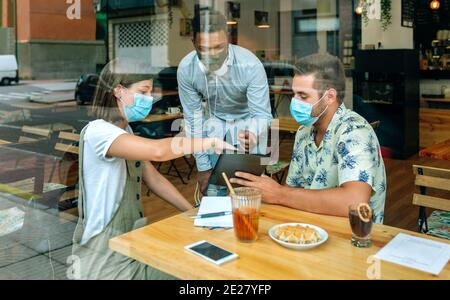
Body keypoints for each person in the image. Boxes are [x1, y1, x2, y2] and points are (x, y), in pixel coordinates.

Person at [71, 58, 234, 280]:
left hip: (127, 247)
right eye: (143, 91)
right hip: (104, 260)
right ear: (119, 91)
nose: (149, 99)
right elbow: (159, 152)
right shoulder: (98, 132)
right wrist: (208, 142)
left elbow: (154, 179)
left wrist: (193, 213)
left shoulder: (124, 131)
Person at [231, 53, 386, 223]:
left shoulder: (355, 131)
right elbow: (292, 190)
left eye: (303, 96)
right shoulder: (304, 132)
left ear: (329, 97)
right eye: (294, 94)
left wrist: (279, 193)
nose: (294, 102)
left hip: (351, 238)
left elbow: (354, 202)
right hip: (307, 229)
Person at [177, 10, 272, 197]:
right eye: (204, 49)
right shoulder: (186, 69)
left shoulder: (250, 65)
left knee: (249, 193)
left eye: (219, 47)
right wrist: (203, 167)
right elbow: (193, 119)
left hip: (249, 124)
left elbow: (261, 114)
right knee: (214, 191)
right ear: (193, 43)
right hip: (215, 124)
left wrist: (253, 133)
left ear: (228, 39)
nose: (213, 56)